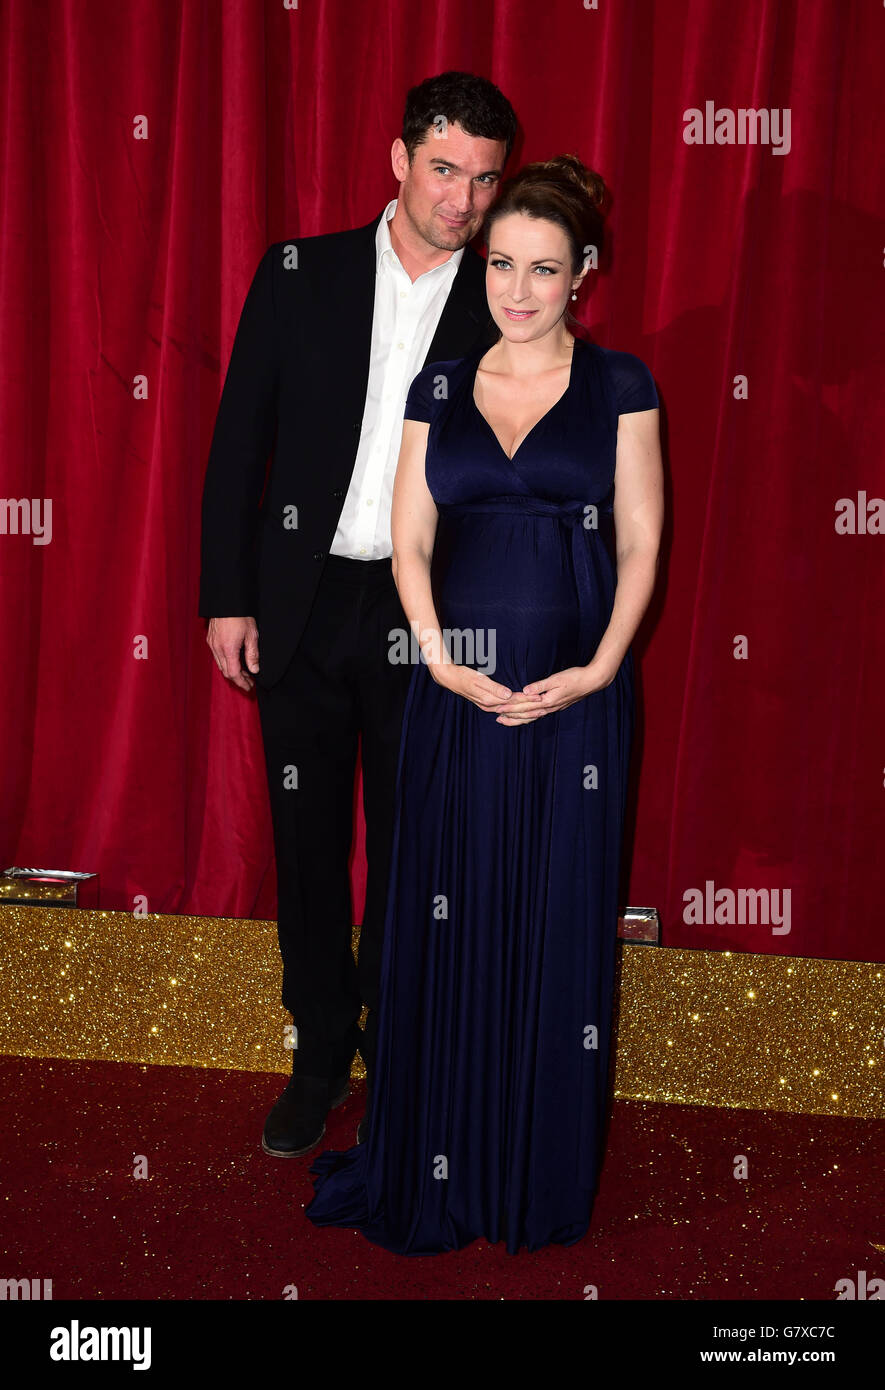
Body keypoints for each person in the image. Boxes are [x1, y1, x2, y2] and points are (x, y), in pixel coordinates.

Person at [305, 155, 664, 1253]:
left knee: (553, 929)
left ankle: (528, 1177)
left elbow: (643, 542)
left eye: (543, 269)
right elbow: (410, 540)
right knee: (443, 922)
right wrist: (438, 658)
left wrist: (600, 669)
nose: (516, 288)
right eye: (501, 262)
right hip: (453, 700)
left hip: (577, 711)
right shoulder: (439, 386)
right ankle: (439, 1157)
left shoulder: (623, 386)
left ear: (582, 275)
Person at [198, 72, 518, 1158]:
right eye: (443, 169)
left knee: (412, 843)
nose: (461, 200)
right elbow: (241, 436)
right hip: (303, 598)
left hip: (426, 614)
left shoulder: (506, 299)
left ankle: (399, 1045)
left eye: (483, 180)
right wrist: (227, 597)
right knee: (306, 837)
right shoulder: (301, 272)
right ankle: (319, 1050)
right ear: (397, 159)